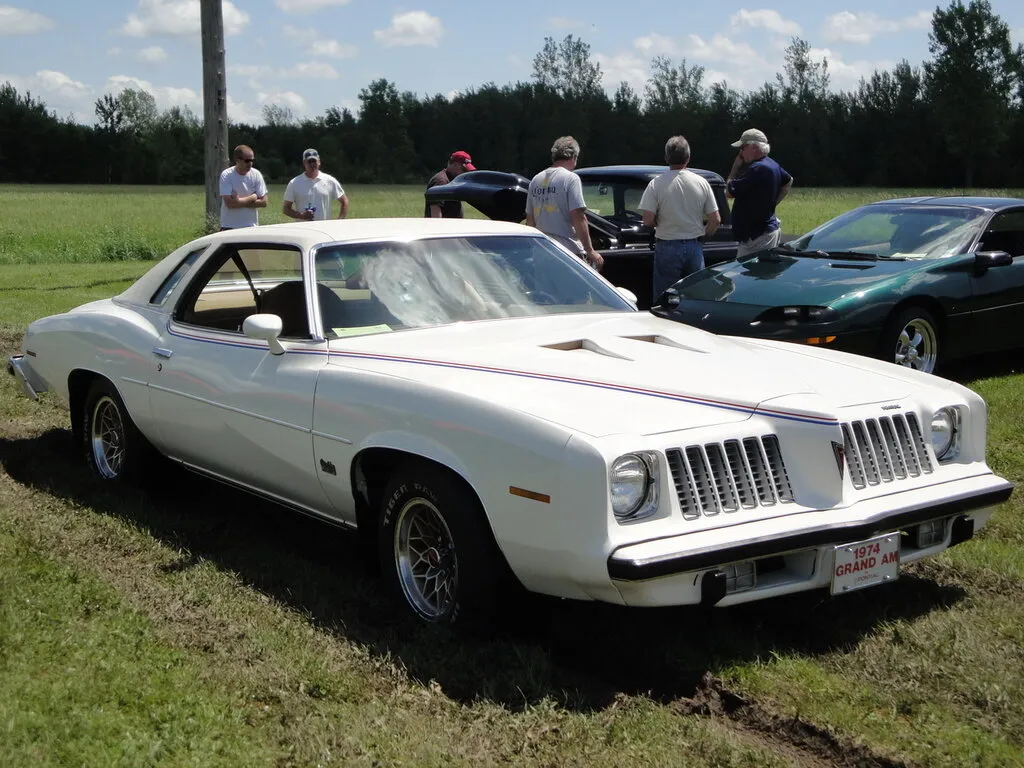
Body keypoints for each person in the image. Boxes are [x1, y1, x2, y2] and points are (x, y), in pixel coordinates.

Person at [639, 135, 721, 300]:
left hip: (667, 244)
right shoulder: (701, 182)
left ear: (666, 158)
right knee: (696, 295)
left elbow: (647, 219)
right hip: (694, 245)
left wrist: (658, 223)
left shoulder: (656, 184)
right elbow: (715, 220)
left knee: (665, 298)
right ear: (688, 158)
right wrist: (704, 235)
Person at [525, 135, 603, 270]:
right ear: (573, 157)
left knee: (545, 290)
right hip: (567, 252)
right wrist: (590, 250)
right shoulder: (571, 179)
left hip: (542, 251)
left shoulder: (536, 180)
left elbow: (530, 221)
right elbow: (578, 217)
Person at [725, 128, 794, 258]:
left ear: (754, 148)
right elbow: (788, 181)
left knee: (744, 276)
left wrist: (735, 167)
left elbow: (728, 192)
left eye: (743, 147)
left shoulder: (756, 169)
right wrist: (772, 204)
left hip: (756, 239)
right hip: (765, 232)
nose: (740, 153)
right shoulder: (772, 164)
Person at [282, 148, 350, 221]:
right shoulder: (294, 183)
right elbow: (286, 209)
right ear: (304, 163)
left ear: (319, 162)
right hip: (303, 229)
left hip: (324, 229)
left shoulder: (330, 180)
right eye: (309, 161)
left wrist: (339, 220)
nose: (312, 164)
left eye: (314, 161)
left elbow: (344, 201)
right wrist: (301, 216)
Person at [218, 144, 268, 230]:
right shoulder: (226, 175)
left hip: (251, 227)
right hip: (229, 227)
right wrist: (253, 197)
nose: (250, 164)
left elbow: (264, 202)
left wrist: (238, 201)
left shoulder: (256, 174)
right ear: (237, 160)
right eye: (247, 160)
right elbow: (230, 204)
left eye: (252, 160)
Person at [424, 150, 475, 218]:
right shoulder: (441, 181)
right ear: (455, 164)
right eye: (464, 169)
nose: (465, 173)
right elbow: (435, 211)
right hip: (444, 227)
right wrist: (438, 227)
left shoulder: (453, 180)